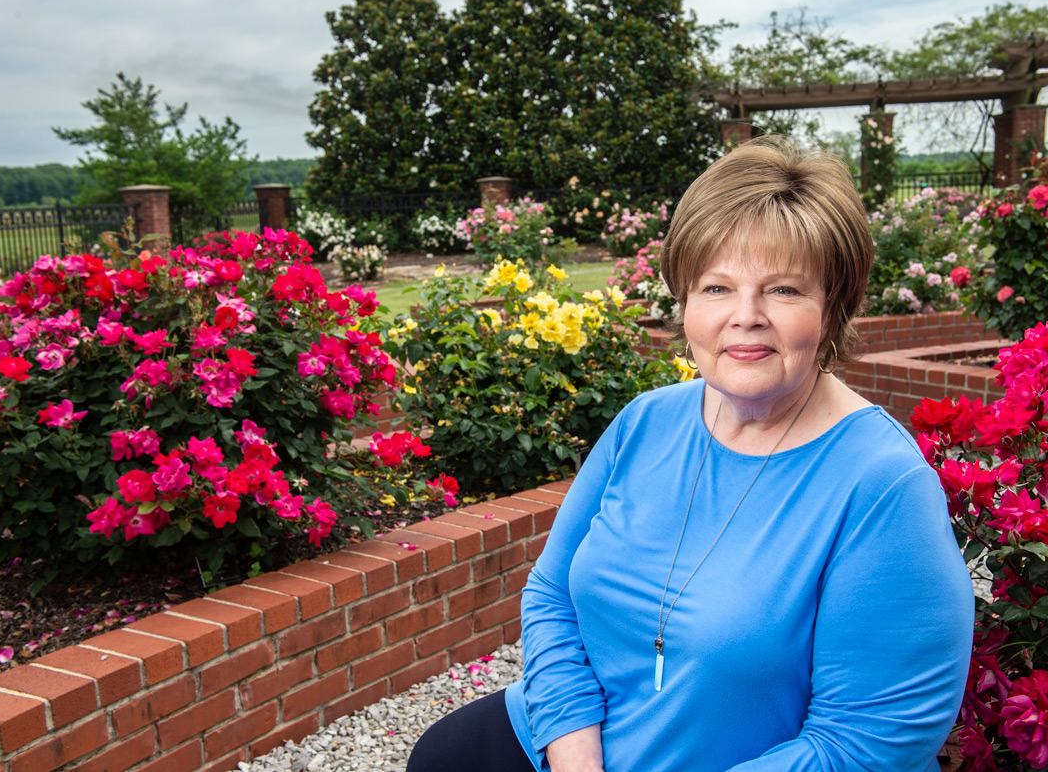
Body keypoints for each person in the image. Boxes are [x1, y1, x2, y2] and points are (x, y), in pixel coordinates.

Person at [407, 138, 975, 772]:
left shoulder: (882, 485)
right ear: (684, 302)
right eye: (716, 287)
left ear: (833, 304)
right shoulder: (646, 422)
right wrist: (575, 759)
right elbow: (552, 594)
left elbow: (868, 744)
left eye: (783, 289)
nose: (745, 317)